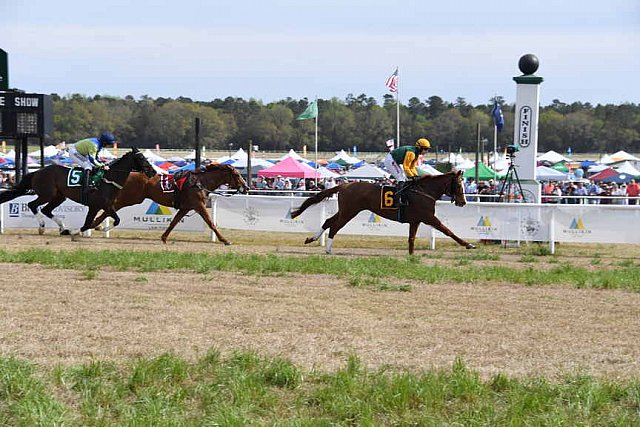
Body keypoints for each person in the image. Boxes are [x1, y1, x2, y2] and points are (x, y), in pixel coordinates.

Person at [68, 132, 116, 202]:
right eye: (109, 144)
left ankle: (92, 182)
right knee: (88, 166)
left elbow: (96, 157)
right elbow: (92, 160)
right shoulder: (94, 145)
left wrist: (101, 163)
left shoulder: (99, 145)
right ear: (104, 142)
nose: (109, 145)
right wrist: (102, 166)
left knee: (94, 165)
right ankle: (86, 187)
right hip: (74, 152)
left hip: (82, 152)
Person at [384, 138, 431, 205]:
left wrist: (416, 176)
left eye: (428, 149)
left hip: (394, 161)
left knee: (405, 179)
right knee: (401, 178)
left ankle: (403, 199)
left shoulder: (416, 154)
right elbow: (406, 167)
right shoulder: (411, 153)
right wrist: (412, 176)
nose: (427, 151)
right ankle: (396, 199)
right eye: (425, 149)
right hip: (390, 160)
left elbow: (412, 167)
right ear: (419, 148)